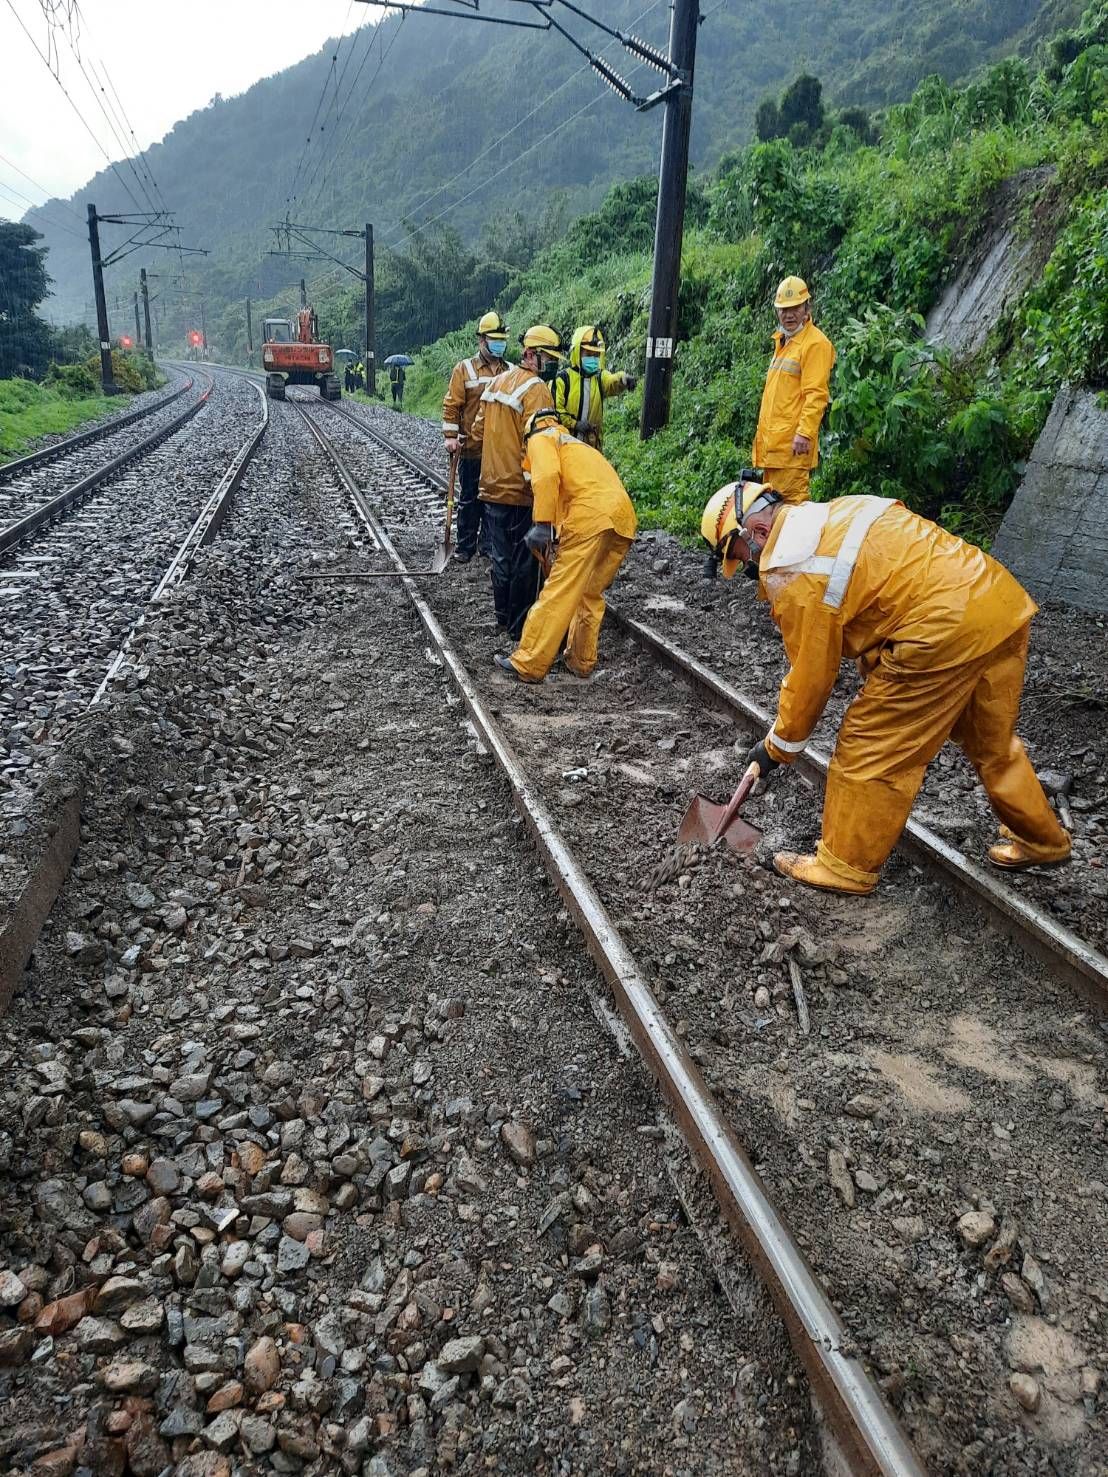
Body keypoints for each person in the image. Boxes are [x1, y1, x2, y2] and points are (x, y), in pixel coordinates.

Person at [699, 482, 1072, 896]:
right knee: (991, 740)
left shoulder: (792, 571)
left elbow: (811, 677)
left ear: (759, 534)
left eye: (741, 558)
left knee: (869, 743)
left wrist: (776, 748)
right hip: (996, 603)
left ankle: (844, 865)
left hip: (939, 631)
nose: (750, 570)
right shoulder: (836, 513)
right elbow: (884, 587)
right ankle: (1041, 839)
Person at [494, 408, 636, 683]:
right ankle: (581, 662)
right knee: (589, 593)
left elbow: (546, 476)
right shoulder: (573, 444)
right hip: (623, 518)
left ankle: (529, 662)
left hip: (590, 515)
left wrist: (542, 523)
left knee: (559, 590)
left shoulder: (540, 438)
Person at [468, 325, 561, 641]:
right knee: (525, 560)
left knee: (501, 556)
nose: (552, 364)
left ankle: (502, 618)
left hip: (490, 487)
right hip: (520, 492)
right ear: (532, 355)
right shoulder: (537, 390)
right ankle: (520, 626)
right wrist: (539, 488)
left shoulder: (496, 382)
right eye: (548, 358)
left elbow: (478, 432)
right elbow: (537, 444)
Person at [751, 277, 835, 505]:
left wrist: (804, 433)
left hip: (792, 449)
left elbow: (816, 394)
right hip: (775, 449)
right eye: (783, 309)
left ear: (807, 308)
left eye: (795, 308)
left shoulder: (815, 344)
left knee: (791, 510)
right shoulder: (785, 342)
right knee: (775, 512)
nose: (789, 315)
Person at [442, 311, 509, 563]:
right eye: (495, 338)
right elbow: (452, 405)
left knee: (495, 500)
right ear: (482, 340)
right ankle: (465, 546)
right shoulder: (465, 369)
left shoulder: (510, 370)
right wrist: (450, 436)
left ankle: (489, 546)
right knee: (469, 498)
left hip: (499, 452)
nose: (500, 343)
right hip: (471, 448)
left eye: (502, 338)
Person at [553, 325, 637, 450]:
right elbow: (556, 411)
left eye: (596, 355)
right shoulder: (563, 379)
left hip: (592, 447)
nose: (593, 358)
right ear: (577, 352)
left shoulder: (599, 377)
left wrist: (623, 378)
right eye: (588, 353)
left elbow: (611, 381)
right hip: (566, 447)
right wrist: (575, 424)